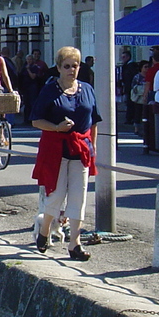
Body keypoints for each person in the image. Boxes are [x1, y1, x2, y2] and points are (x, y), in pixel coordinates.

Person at [30, 46, 101, 262]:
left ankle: (74, 244)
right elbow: (36, 120)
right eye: (67, 66)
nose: (72, 70)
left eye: (75, 66)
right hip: (56, 149)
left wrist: (93, 145)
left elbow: (94, 120)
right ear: (59, 68)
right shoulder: (50, 90)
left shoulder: (87, 89)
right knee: (57, 194)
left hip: (81, 149)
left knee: (79, 197)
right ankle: (44, 231)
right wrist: (57, 127)